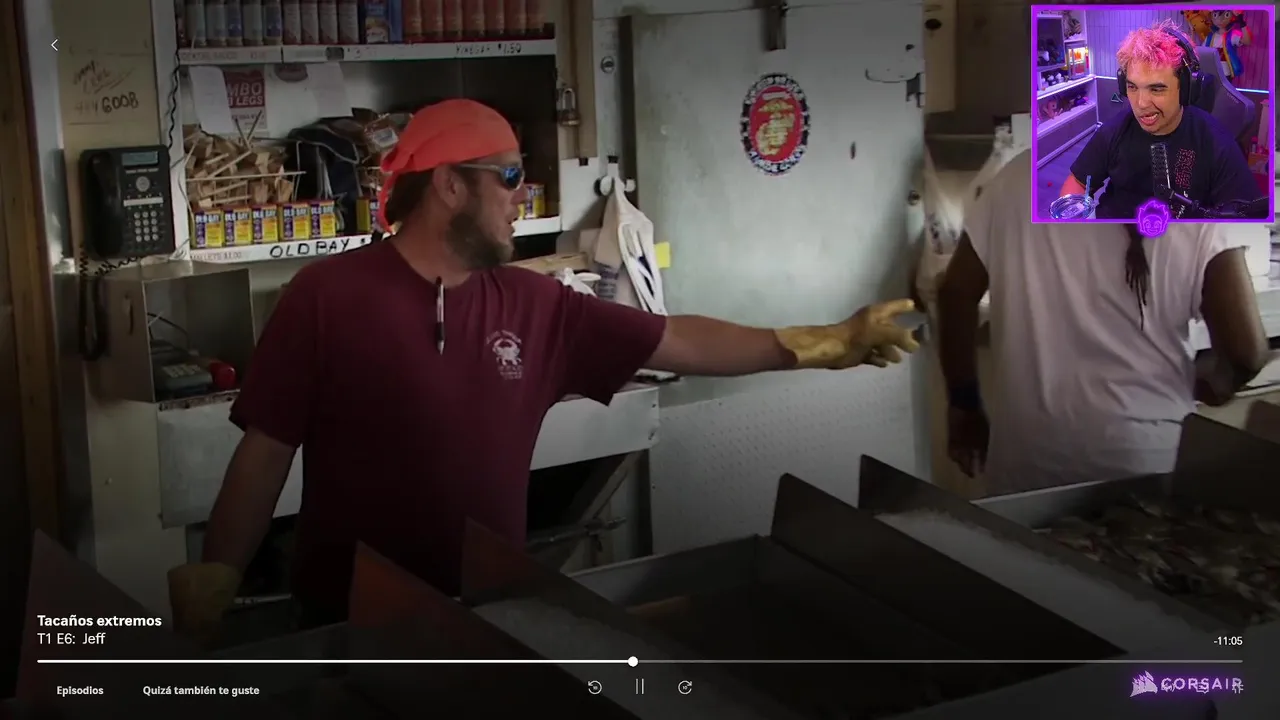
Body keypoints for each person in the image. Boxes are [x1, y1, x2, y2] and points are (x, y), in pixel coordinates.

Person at [167, 99, 920, 639]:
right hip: (351, 620)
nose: (520, 196)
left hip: (490, 614)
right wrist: (221, 570)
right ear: (449, 185)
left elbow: (679, 341)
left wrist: (819, 342)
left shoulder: (534, 304)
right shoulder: (326, 297)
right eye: (508, 175)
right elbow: (265, 451)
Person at [940, 148, 1268, 495]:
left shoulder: (1018, 176)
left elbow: (955, 292)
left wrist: (964, 403)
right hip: (1143, 464)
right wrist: (1216, 384)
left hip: (1025, 465)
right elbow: (1247, 353)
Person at [1060, 21, 1260, 220]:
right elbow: (1077, 183)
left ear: (1186, 89)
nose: (1140, 103)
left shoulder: (1217, 143)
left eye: (1156, 89)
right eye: (1132, 87)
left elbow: (1247, 220)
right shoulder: (1114, 130)